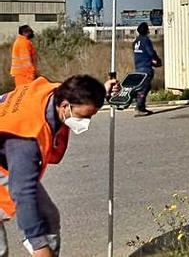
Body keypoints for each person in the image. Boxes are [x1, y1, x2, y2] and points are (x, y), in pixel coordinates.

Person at [0, 74, 117, 257]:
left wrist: (101, 90)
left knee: (47, 218)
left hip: (7, 156)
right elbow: (23, 193)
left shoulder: (53, 92)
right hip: (10, 152)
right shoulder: (28, 138)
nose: (86, 122)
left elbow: (77, 89)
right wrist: (39, 246)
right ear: (64, 106)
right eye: (84, 116)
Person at [132, 23, 161, 117]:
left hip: (138, 67)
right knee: (144, 88)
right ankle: (139, 108)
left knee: (145, 87)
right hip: (146, 67)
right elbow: (150, 52)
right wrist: (156, 59)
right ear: (146, 30)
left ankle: (142, 106)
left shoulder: (136, 41)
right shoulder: (145, 40)